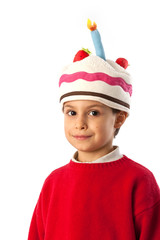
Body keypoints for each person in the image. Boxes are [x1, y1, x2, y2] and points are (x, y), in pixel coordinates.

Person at [28, 20, 160, 240]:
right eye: (71, 113)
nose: (79, 123)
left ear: (119, 118)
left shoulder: (139, 180)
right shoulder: (53, 182)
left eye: (93, 113)